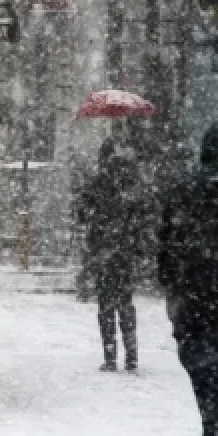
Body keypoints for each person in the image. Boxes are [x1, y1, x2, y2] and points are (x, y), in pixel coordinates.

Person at [161, 124, 218, 435]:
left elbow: (165, 249)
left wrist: (174, 290)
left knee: (203, 373)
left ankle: (210, 420)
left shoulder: (182, 192)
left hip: (194, 300)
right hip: (197, 295)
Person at [80, 137, 149, 372]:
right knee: (126, 303)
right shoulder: (131, 182)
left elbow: (82, 214)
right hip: (124, 251)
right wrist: (136, 246)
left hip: (103, 251)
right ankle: (132, 356)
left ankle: (110, 357)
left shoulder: (98, 183)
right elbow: (141, 216)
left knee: (106, 305)